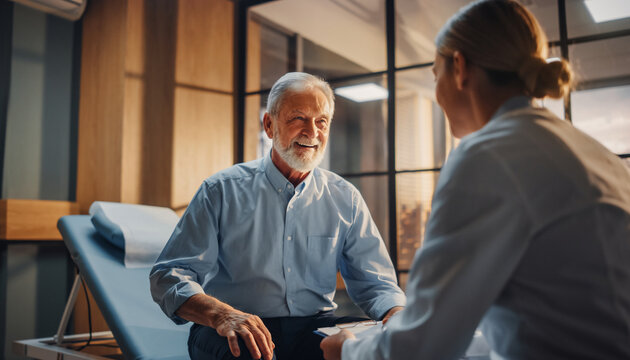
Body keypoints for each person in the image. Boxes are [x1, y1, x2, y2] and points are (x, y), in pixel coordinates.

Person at [321, 0, 630, 359]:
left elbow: (424, 346)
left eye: (435, 75)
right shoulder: (587, 149)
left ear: (460, 67)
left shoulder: (488, 155)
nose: (437, 94)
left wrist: (350, 350)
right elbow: (520, 325)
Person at [150, 72, 405, 360]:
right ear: (269, 125)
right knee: (248, 352)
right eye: (298, 118)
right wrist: (222, 315)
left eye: (321, 121)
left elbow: (376, 283)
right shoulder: (220, 190)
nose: (312, 131)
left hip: (315, 326)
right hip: (232, 327)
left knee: (362, 351)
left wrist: (398, 315)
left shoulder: (345, 197)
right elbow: (168, 276)